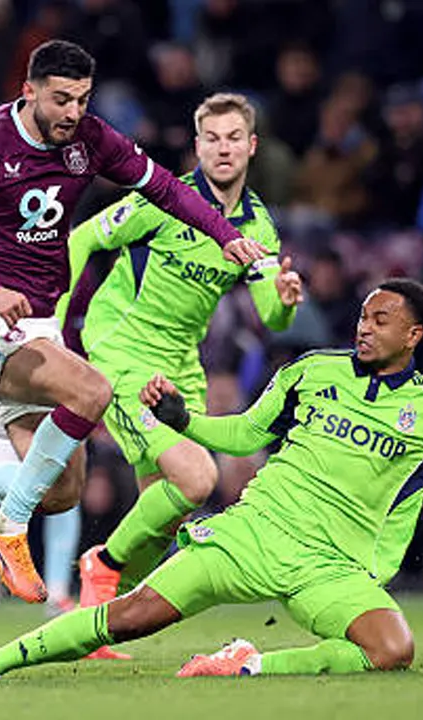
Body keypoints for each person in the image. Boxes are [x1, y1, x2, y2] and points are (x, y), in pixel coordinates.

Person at [0, 279, 423, 677]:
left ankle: (249, 664)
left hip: (332, 567)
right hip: (252, 534)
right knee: (129, 618)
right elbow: (246, 434)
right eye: (363, 316)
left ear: (414, 336)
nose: (365, 328)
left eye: (381, 320)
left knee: (393, 650)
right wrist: (183, 420)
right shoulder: (311, 371)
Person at [0, 39, 266, 604]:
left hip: (38, 326)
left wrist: (225, 234)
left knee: (61, 492)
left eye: (82, 99)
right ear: (29, 91)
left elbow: (164, 187)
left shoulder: (90, 140)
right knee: (94, 390)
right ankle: (5, 528)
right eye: (61, 99)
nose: (73, 112)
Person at [67, 92, 301, 660]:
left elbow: (272, 317)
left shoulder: (258, 227)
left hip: (180, 366)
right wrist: (52, 324)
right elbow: (82, 238)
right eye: (211, 138)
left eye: (233, 138)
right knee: (197, 479)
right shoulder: (162, 198)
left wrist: (286, 300)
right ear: (197, 146)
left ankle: (96, 624)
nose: (223, 149)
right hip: (121, 350)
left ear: (252, 146)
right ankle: (102, 565)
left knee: (166, 516)